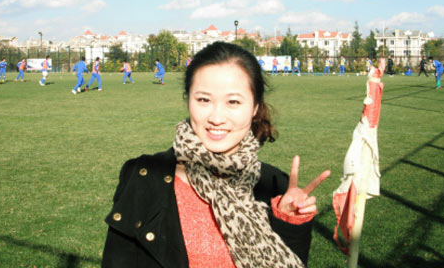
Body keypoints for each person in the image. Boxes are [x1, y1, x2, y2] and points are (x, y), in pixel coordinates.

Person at [102, 42, 330, 268]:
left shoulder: (274, 186)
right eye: (204, 100)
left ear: (254, 107)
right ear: (188, 100)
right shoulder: (144, 177)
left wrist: (289, 222)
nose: (217, 118)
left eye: (233, 102)